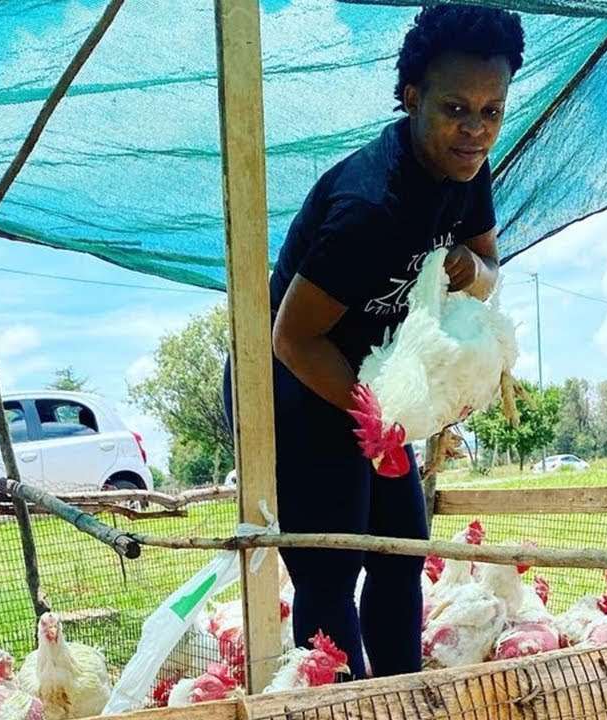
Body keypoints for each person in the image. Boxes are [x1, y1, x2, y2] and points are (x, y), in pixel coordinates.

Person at [221, 4, 525, 680]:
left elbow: (488, 265)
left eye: (492, 111)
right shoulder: (369, 206)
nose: (475, 129)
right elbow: (291, 337)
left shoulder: (467, 170)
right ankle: (344, 706)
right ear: (413, 97)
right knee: (331, 566)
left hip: (371, 381)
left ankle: (402, 696)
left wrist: (471, 270)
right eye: (455, 108)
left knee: (400, 551)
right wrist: (383, 416)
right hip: (292, 385)